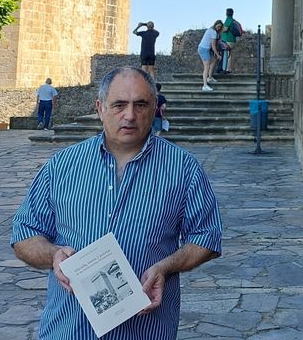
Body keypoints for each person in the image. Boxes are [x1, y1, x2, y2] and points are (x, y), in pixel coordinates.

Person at [12, 66, 222, 339]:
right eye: (119, 104)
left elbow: (207, 237)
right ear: (100, 108)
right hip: (69, 329)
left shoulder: (184, 169)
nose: (130, 115)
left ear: (155, 107)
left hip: (146, 330)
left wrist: (166, 266)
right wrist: (54, 255)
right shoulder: (62, 166)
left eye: (141, 104)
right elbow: (25, 234)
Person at [197, 20, 223, 91]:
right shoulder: (213, 32)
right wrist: (218, 55)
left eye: (220, 27)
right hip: (203, 49)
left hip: (204, 49)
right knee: (206, 67)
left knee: (214, 60)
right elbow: (213, 45)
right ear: (215, 25)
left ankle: (210, 78)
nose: (218, 28)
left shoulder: (210, 30)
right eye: (218, 26)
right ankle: (205, 86)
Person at [217, 8, 242, 74]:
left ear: (227, 13)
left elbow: (225, 29)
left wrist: (220, 31)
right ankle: (228, 69)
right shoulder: (233, 20)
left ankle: (225, 69)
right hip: (232, 40)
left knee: (226, 54)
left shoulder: (228, 19)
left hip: (228, 39)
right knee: (229, 54)